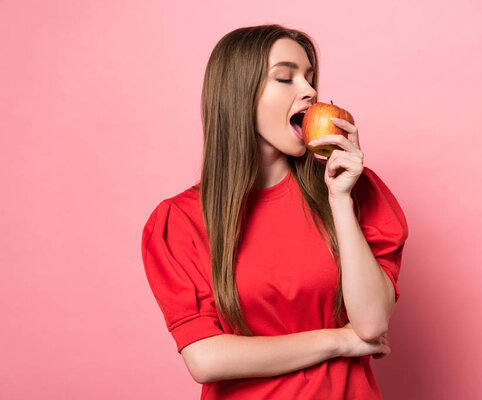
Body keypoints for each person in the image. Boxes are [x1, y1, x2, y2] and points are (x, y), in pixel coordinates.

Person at [141, 24, 409, 399]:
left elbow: (370, 323)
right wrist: (338, 342)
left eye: (310, 77)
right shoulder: (180, 221)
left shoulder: (353, 190)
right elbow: (206, 359)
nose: (310, 91)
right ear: (239, 95)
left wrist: (340, 200)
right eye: (285, 77)